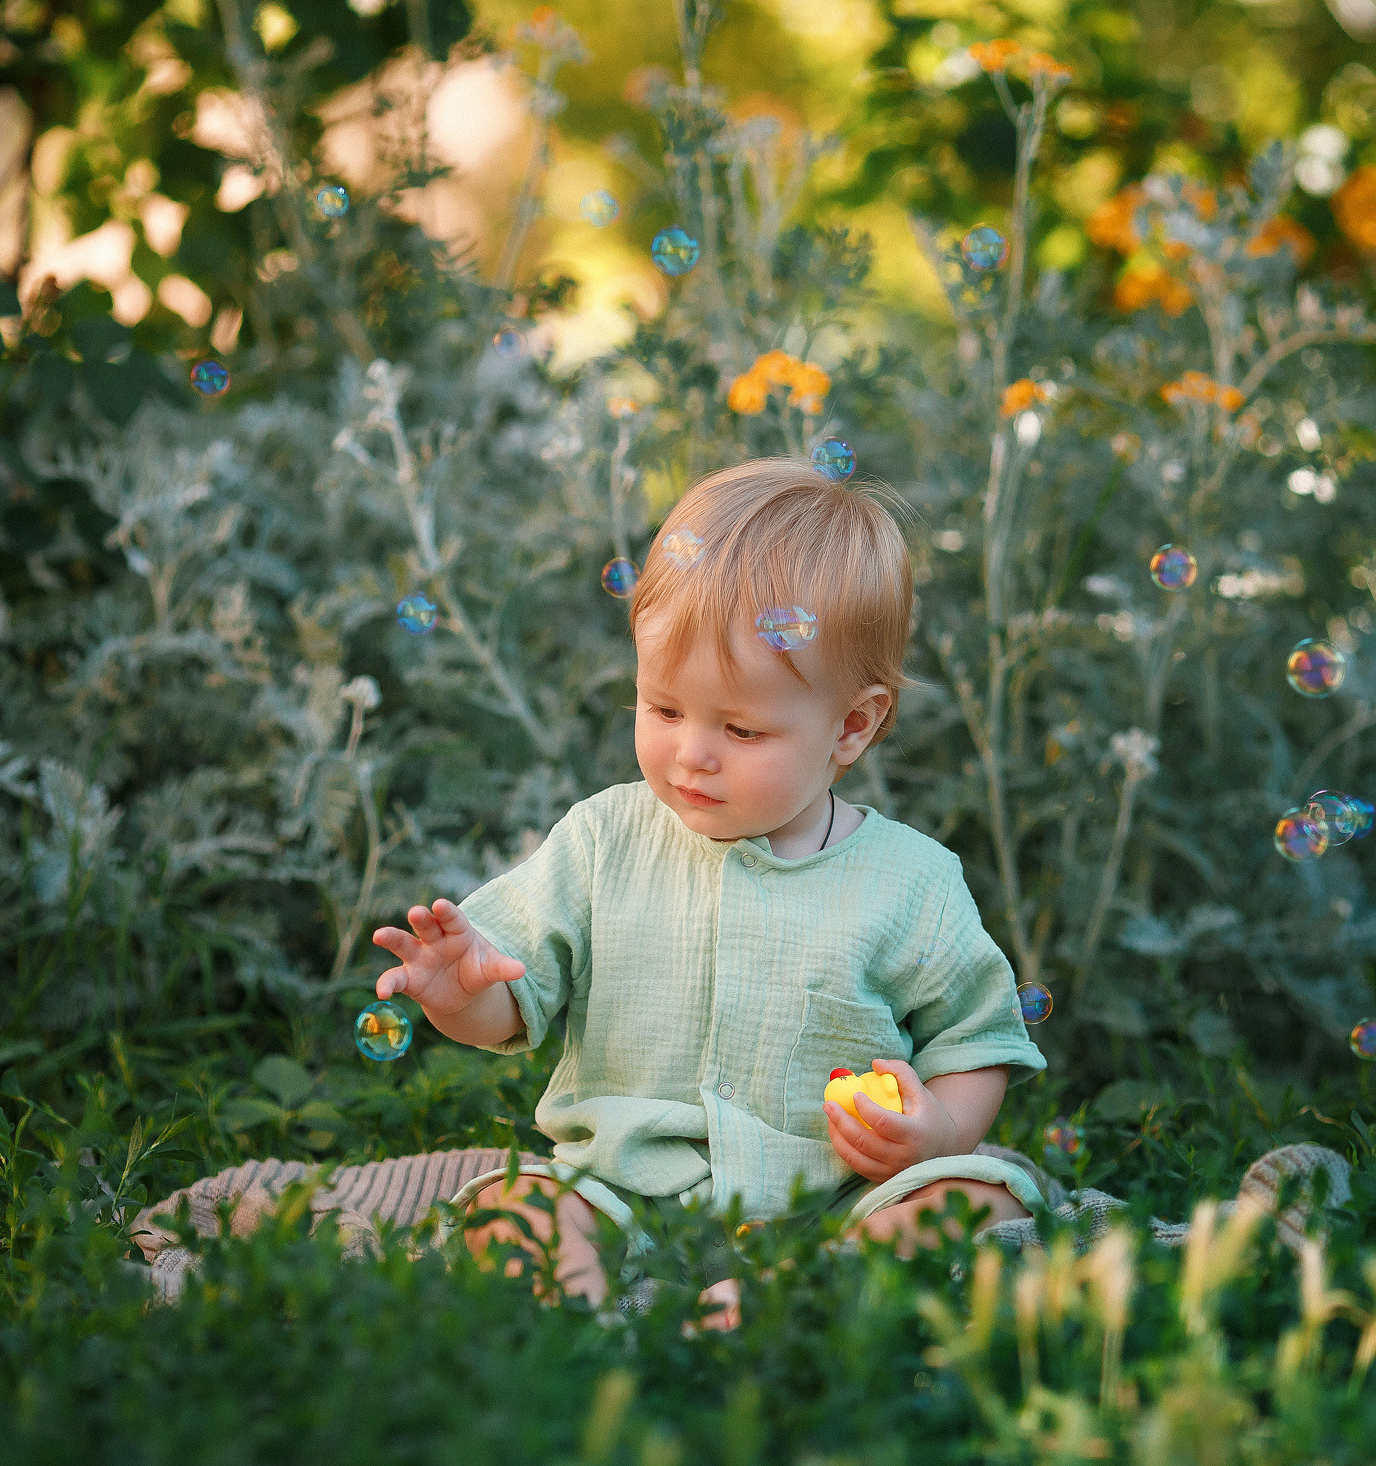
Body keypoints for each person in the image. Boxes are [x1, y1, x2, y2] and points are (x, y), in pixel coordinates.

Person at [371, 456, 1047, 1327]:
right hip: (620, 1187)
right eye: (662, 709)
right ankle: (585, 1329)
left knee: (980, 1199)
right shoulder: (602, 840)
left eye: (741, 727)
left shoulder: (912, 883)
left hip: (838, 1203)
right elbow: (513, 1001)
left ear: (853, 724)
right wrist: (458, 995)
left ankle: (794, 1290)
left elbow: (973, 1045)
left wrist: (941, 1135)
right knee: (512, 1204)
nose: (692, 752)